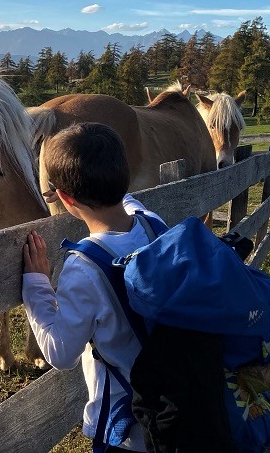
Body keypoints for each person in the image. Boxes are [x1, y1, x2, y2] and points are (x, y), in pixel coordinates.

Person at [22, 122, 167, 453]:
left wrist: (36, 284)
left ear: (65, 198)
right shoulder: (152, 224)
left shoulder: (84, 267)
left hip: (128, 427)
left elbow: (60, 353)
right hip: (179, 404)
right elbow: (130, 204)